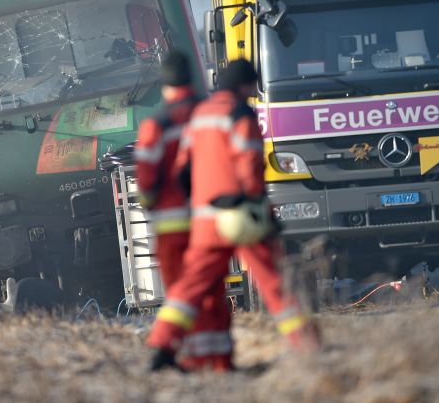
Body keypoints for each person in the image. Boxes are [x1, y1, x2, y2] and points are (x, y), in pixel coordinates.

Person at [146, 60, 319, 372]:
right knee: (274, 283)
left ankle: (161, 344)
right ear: (246, 86)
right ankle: (309, 346)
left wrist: (201, 201)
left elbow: (183, 169)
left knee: (190, 286)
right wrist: (259, 207)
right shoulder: (240, 114)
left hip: (205, 220)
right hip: (242, 217)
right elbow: (250, 165)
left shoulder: (200, 115)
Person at [134, 50, 214, 369]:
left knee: (179, 291)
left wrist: (149, 202)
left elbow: (147, 175)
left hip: (170, 223)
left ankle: (173, 349)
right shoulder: (210, 114)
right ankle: (206, 356)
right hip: (208, 218)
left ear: (164, 84)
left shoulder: (157, 123)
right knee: (203, 290)